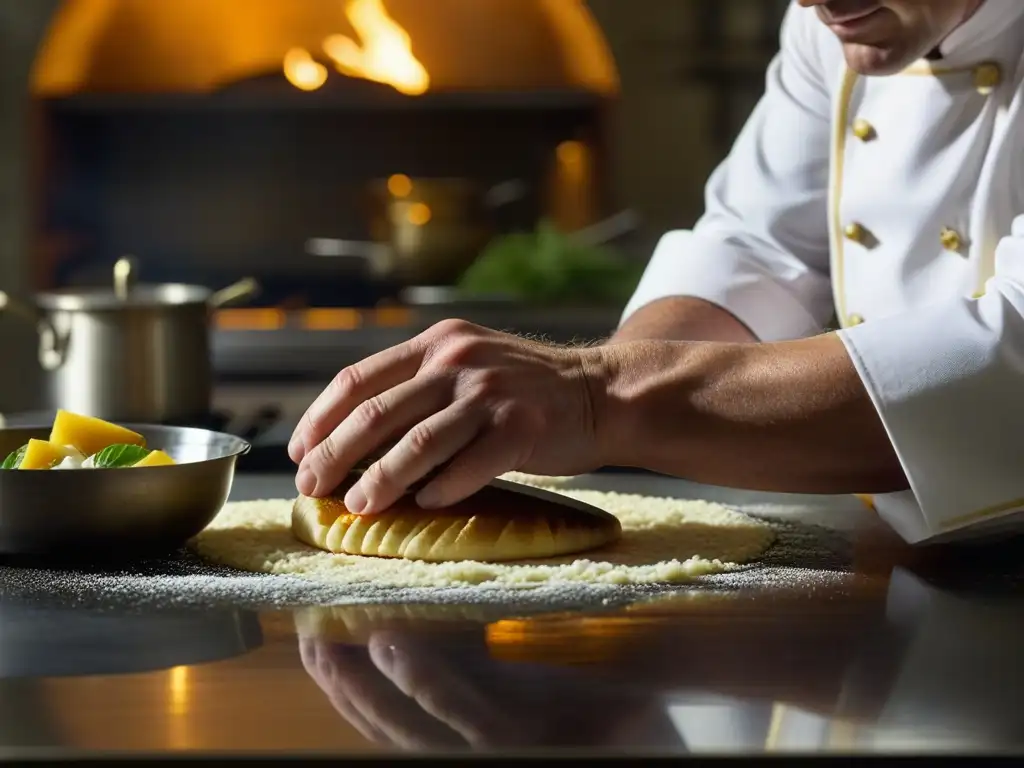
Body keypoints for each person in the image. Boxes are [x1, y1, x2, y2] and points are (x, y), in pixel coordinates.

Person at [289, 0, 1024, 545]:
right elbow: (757, 247)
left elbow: (1013, 356)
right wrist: (604, 385)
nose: (812, 3)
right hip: (913, 560)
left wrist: (597, 401)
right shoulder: (837, 23)